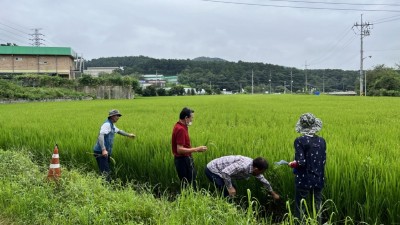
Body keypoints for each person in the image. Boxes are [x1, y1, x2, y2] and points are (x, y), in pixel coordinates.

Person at [288, 113, 326, 220]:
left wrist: (292, 164)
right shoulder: (322, 141)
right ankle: (318, 222)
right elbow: (323, 160)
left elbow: (301, 162)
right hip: (319, 178)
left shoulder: (299, 141)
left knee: (300, 205)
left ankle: (300, 223)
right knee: (318, 205)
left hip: (304, 179)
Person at [205, 155, 280, 200]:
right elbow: (225, 172)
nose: (261, 174)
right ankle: (225, 208)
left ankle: (229, 205)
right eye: (261, 172)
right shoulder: (243, 166)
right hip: (213, 170)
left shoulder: (254, 168)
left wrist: (273, 193)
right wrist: (230, 188)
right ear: (256, 169)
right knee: (227, 190)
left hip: (222, 171)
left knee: (233, 189)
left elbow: (263, 180)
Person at [93, 109, 135, 182]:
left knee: (105, 170)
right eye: (117, 116)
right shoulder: (107, 124)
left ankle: (103, 185)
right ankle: (105, 188)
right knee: (105, 172)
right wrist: (103, 150)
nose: (118, 117)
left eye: (119, 116)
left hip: (105, 152)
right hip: (100, 152)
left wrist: (129, 135)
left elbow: (119, 131)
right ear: (112, 116)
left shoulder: (112, 124)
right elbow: (100, 136)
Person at [171, 107, 207, 189]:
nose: (192, 120)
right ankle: (189, 200)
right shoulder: (181, 129)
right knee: (190, 185)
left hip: (182, 160)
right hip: (184, 160)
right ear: (186, 118)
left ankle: (187, 199)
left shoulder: (179, 125)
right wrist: (197, 149)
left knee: (186, 184)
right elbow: (179, 149)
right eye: (191, 118)